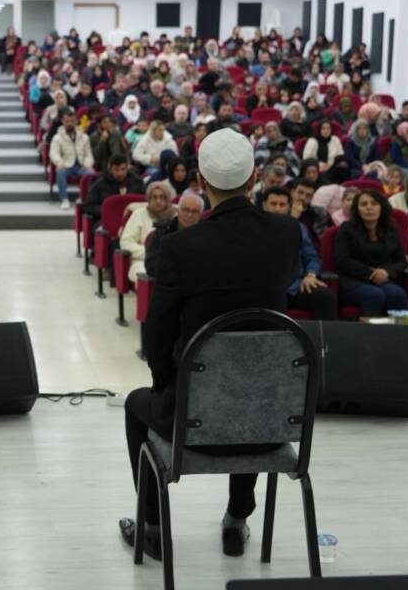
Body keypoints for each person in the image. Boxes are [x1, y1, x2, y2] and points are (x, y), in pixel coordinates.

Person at [121, 127, 302, 561]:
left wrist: (166, 383)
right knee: (254, 380)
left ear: (200, 183)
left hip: (195, 418)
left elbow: (158, 331)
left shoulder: (181, 247)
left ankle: (151, 527)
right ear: (254, 177)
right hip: (272, 420)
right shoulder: (286, 234)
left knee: (134, 404)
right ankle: (237, 520)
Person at [261, 187, 337, 320]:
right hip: (266, 288)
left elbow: (311, 256)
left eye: (282, 204)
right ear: (264, 205)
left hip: (296, 286)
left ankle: (326, 341)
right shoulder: (255, 227)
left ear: (288, 206)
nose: (278, 209)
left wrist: (311, 274)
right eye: (273, 204)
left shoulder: (298, 227)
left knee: (325, 296)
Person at [334, 190, 408, 315]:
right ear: (357, 209)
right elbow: (342, 260)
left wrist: (387, 272)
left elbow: (401, 262)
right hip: (353, 280)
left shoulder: (390, 229)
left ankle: (397, 333)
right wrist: (371, 273)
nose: (369, 207)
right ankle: (367, 334)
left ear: (381, 207)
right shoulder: (347, 228)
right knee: (374, 295)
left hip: (384, 279)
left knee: (397, 294)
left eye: (374, 204)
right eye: (363, 204)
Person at [119, 181, 178, 283]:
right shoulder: (138, 214)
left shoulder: (176, 216)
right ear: (148, 199)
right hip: (141, 261)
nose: (158, 201)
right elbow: (126, 242)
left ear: (168, 199)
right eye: (154, 197)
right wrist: (150, 253)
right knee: (146, 276)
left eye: (162, 197)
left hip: (171, 262)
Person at [50, 112, 96, 211]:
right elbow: (53, 153)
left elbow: (89, 154)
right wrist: (59, 162)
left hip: (81, 165)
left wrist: (88, 163)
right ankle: (64, 199)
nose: (69, 123)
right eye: (67, 121)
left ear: (76, 121)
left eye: (72, 121)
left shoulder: (84, 137)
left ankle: (84, 197)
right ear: (63, 122)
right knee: (59, 171)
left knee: (91, 172)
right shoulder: (57, 137)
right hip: (66, 165)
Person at [83, 155, 145, 225]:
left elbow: (144, 203)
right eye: (116, 169)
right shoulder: (99, 184)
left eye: (123, 169)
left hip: (133, 220)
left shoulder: (137, 182)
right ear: (110, 169)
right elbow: (88, 207)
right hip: (107, 221)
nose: (120, 173)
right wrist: (108, 210)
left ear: (127, 168)